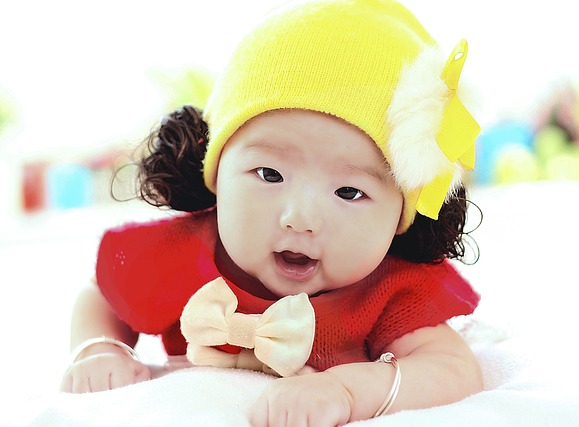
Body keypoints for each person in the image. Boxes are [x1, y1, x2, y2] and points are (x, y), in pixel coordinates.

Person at [61, 0, 484, 425]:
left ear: (399, 221)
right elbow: (103, 294)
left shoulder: (390, 290)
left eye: (349, 192)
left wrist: (349, 390)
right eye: (269, 174)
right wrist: (101, 348)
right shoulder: (178, 252)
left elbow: (451, 367)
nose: (300, 218)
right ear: (215, 172)